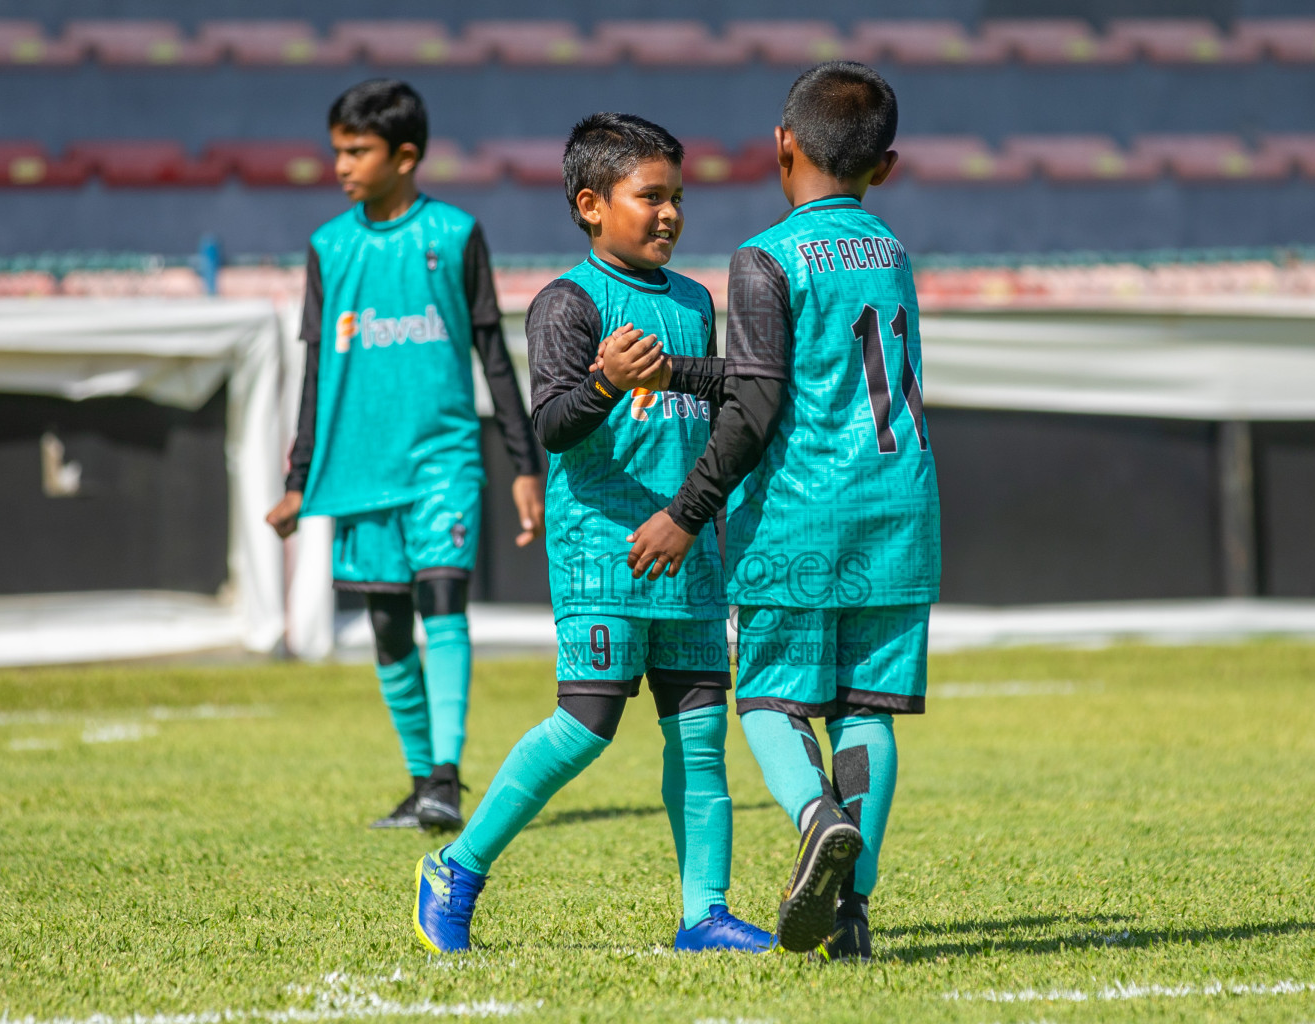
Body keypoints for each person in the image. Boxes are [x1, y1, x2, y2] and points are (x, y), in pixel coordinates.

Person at [413, 112, 773, 954]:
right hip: (603, 552)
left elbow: (719, 393)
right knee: (584, 727)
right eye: (650, 197)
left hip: (688, 552)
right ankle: (456, 868)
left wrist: (696, 506)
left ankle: (705, 914)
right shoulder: (565, 303)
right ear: (590, 204)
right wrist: (607, 381)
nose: (670, 214)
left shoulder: (693, 300)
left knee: (701, 735)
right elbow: (555, 424)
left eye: (678, 197)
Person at [624, 62, 941, 960]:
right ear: (884, 165)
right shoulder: (892, 252)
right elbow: (790, 376)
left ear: (782, 145)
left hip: (803, 516)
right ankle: (852, 915)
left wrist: (687, 512)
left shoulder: (766, 256)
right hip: (903, 510)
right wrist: (680, 370)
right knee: (865, 709)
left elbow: (760, 405)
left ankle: (814, 817)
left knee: (770, 701)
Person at [266, 79, 544, 832]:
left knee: (442, 598)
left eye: (357, 151)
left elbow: (494, 353)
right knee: (388, 625)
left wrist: (525, 463)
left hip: (443, 460)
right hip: (359, 468)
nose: (341, 166)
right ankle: (422, 778)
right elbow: (318, 374)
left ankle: (447, 780)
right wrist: (298, 481)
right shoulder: (329, 247)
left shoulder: (454, 234)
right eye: (337, 152)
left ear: (407, 155)